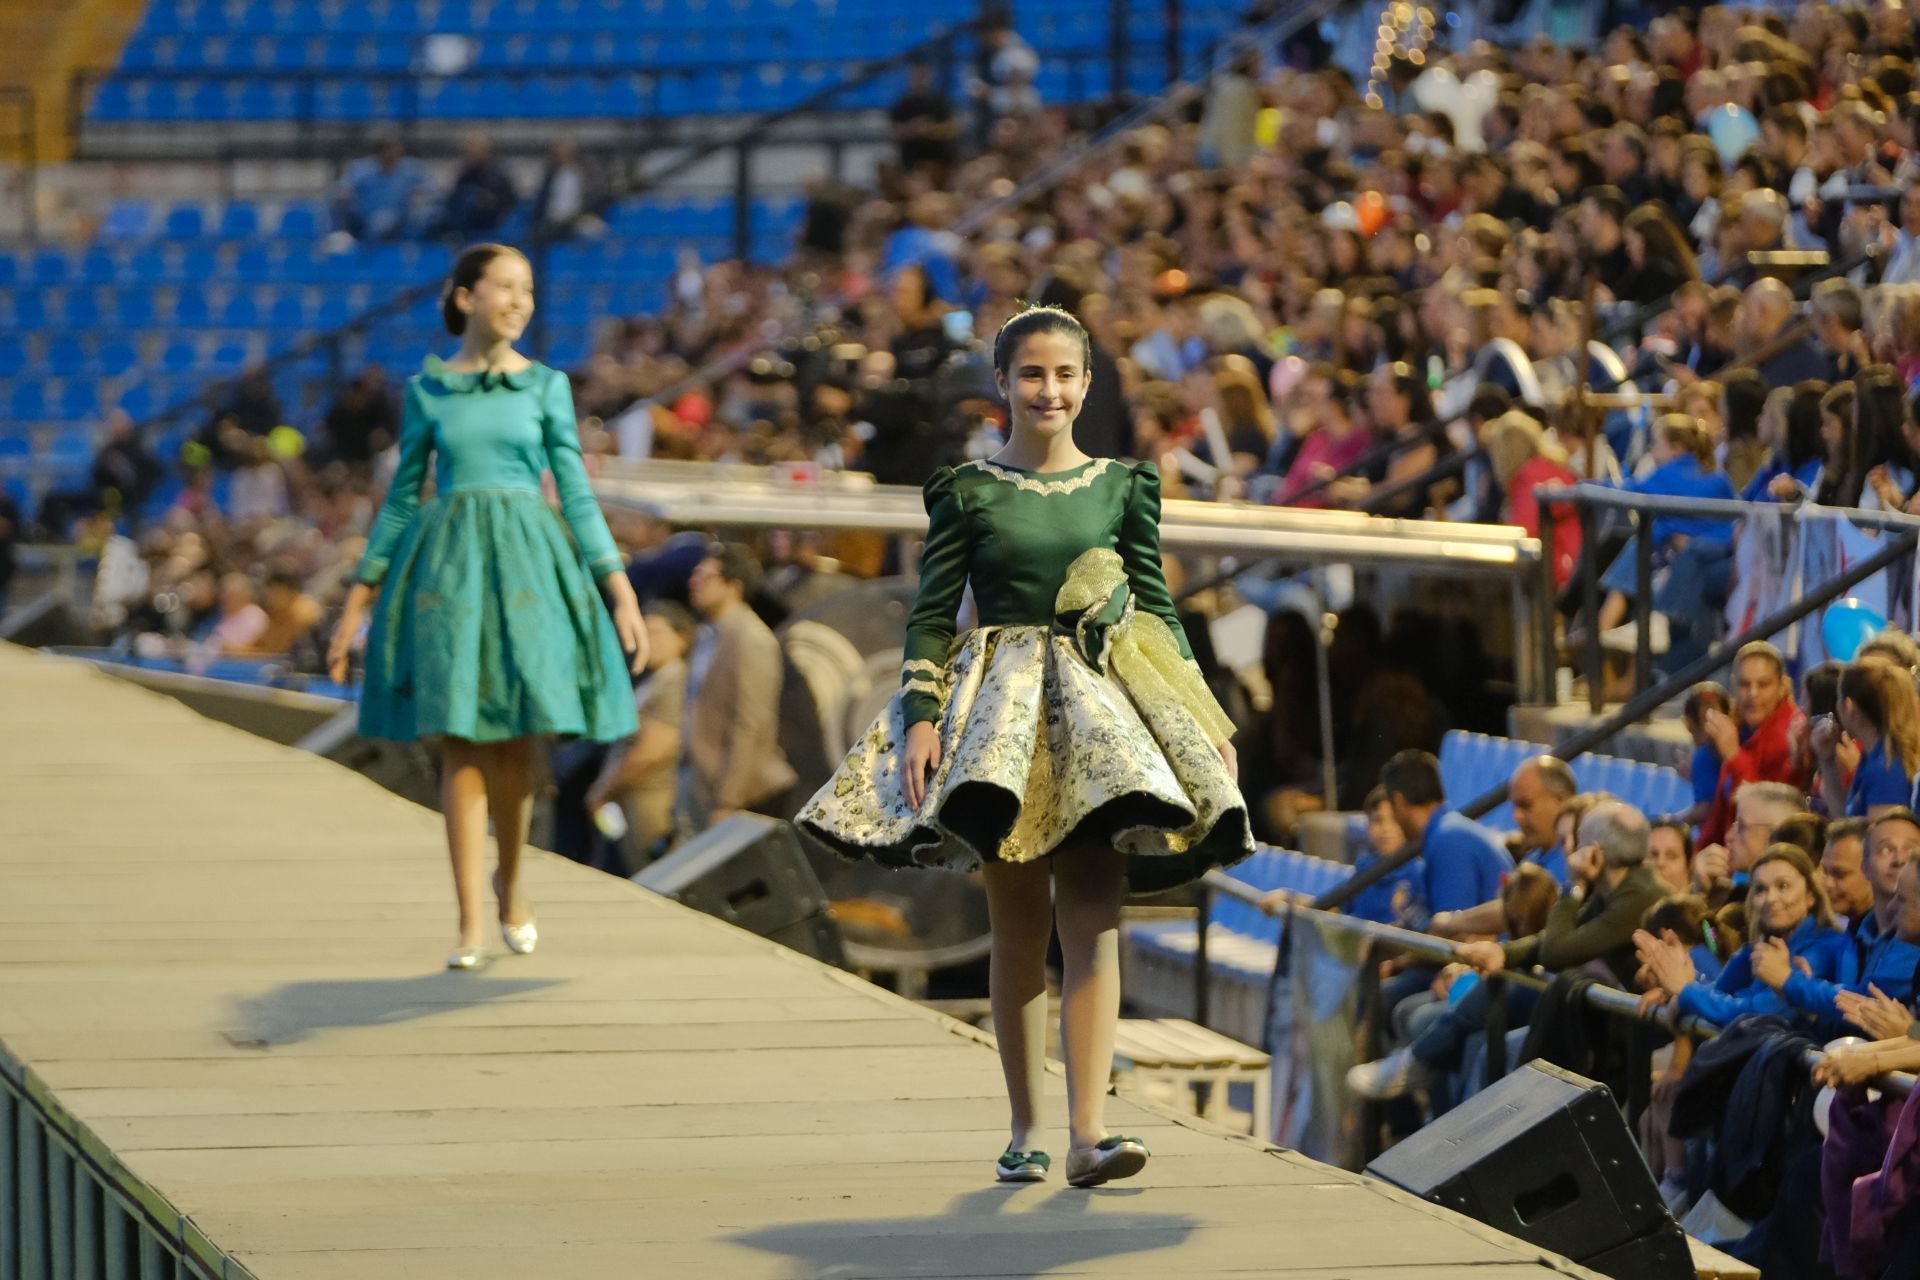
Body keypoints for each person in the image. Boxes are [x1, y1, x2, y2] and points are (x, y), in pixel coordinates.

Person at [798, 305, 1252, 1189]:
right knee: (1016, 930)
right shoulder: (968, 490)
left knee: (1094, 921)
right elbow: (932, 617)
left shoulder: (1125, 486)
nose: (1050, 390)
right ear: (1002, 383)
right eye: (1033, 374)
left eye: (1066, 374)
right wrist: (922, 720)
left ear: (1087, 384)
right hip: (1001, 719)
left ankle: (1089, 1132)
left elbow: (1157, 612)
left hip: (1101, 714)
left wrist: (1202, 721)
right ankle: (1025, 1128)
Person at [327, 244, 648, 969]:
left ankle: (512, 885)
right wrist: (358, 600)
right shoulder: (428, 391)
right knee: (462, 745)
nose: (518, 300)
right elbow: (403, 499)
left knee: (517, 749)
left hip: (529, 567)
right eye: (504, 285)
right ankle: (471, 921)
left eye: (527, 288)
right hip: (450, 573)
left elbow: (573, 491)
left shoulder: (545, 387)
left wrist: (617, 587)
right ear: (465, 296)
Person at [1350, 799, 1671, 1101]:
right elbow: (1552, 941)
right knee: (1483, 1041)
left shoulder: (1636, 896)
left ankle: (1421, 1065)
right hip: (1599, 1019)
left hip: (1631, 1031)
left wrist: (1573, 886)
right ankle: (1425, 1075)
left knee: (1495, 1035)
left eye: (1578, 842)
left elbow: (1557, 952)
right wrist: (1504, 954)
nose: (1570, 853)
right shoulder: (1618, 886)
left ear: (1595, 854)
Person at [1637, 843, 1845, 1027]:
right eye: (1761, 889)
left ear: (1810, 895)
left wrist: (1686, 992)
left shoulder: (1822, 949)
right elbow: (1720, 991)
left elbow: (1755, 1014)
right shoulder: (1758, 948)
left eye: (1783, 886)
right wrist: (1674, 992)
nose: (1770, 898)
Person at [677, 543, 798, 836]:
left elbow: (750, 724)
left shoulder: (749, 638)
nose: (695, 582)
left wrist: (729, 800)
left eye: (707, 577)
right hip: (702, 781)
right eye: (695, 575)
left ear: (733, 586)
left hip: (743, 792)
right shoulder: (708, 633)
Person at [1766, 808, 1920, 1038]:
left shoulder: (1912, 942)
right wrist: (1807, 1008)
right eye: (1887, 849)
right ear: (1865, 866)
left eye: (1911, 849)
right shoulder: (1853, 934)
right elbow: (1842, 1028)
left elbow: (1867, 1002)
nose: (1899, 860)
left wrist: (1789, 982)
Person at [586, 602, 698, 875]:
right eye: (643, 632)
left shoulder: (675, 680)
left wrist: (605, 788)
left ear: (682, 638)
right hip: (629, 797)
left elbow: (656, 747)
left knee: (653, 873)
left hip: (651, 799)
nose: (647, 641)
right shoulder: (655, 679)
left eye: (657, 633)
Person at [1431, 754, 1576, 939]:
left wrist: (1452, 921)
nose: (1516, 816)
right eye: (1515, 807)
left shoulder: (1576, 858)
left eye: (1525, 805)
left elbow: (1515, 911)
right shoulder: (1532, 859)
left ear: (1560, 801)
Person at [1699, 642, 1806, 847]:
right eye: (1744, 684)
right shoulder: (1739, 730)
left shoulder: (1789, 737)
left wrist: (1734, 756)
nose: (1753, 694)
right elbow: (1717, 819)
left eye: (1763, 684)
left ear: (1782, 687)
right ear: (1733, 686)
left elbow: (1764, 818)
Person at [1815, 658, 1920, 819]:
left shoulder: (1887, 769)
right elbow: (1847, 823)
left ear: (1848, 707)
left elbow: (1882, 841)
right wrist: (1827, 760)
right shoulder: (1875, 756)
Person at [434, 133, 518, 240]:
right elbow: (453, 198)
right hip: (465, 220)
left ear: (485, 152)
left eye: (474, 150)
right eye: (468, 151)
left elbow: (509, 202)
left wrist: (487, 200)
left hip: (491, 220)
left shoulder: (498, 174)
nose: (470, 155)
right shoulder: (465, 173)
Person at [888, 62, 960, 176]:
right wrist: (912, 129)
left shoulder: (939, 103)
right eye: (917, 76)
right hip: (911, 161)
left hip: (939, 159)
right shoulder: (902, 105)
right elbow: (893, 133)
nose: (920, 80)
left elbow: (952, 129)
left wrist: (930, 129)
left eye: (923, 76)